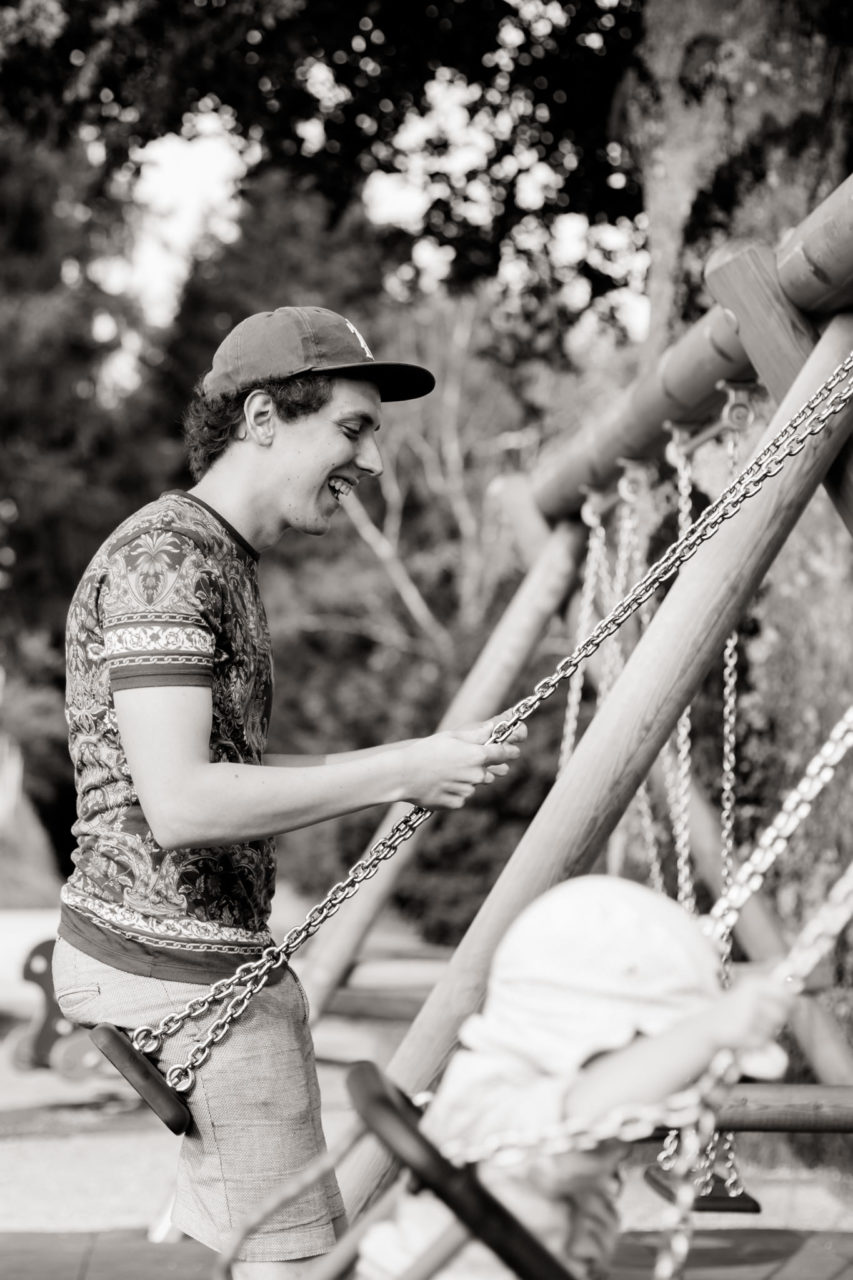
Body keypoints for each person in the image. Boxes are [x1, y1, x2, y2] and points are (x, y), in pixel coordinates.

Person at [51, 305, 526, 1279]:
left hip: (193, 959)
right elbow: (179, 803)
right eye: (352, 429)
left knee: (224, 1240)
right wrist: (399, 771)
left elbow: (219, 773)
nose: (374, 463)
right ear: (263, 416)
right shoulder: (165, 560)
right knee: (302, 1260)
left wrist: (420, 753)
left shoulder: (218, 557)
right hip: (172, 968)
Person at [354, 875, 796, 1280]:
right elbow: (577, 1114)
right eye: (646, 1047)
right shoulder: (491, 1099)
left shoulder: (525, 1087)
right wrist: (704, 1032)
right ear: (586, 1033)